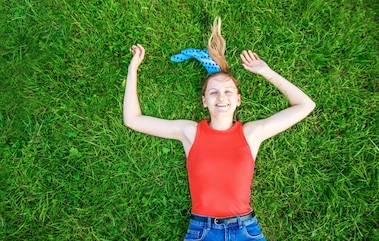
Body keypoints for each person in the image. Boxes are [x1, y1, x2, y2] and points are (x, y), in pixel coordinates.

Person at [123, 17, 316, 240]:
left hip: (245, 230)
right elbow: (133, 119)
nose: (221, 97)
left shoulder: (251, 134)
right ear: (204, 100)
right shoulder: (190, 132)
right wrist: (133, 69)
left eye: (228, 92)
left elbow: (305, 105)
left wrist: (267, 72)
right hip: (202, 231)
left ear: (238, 100)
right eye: (213, 92)